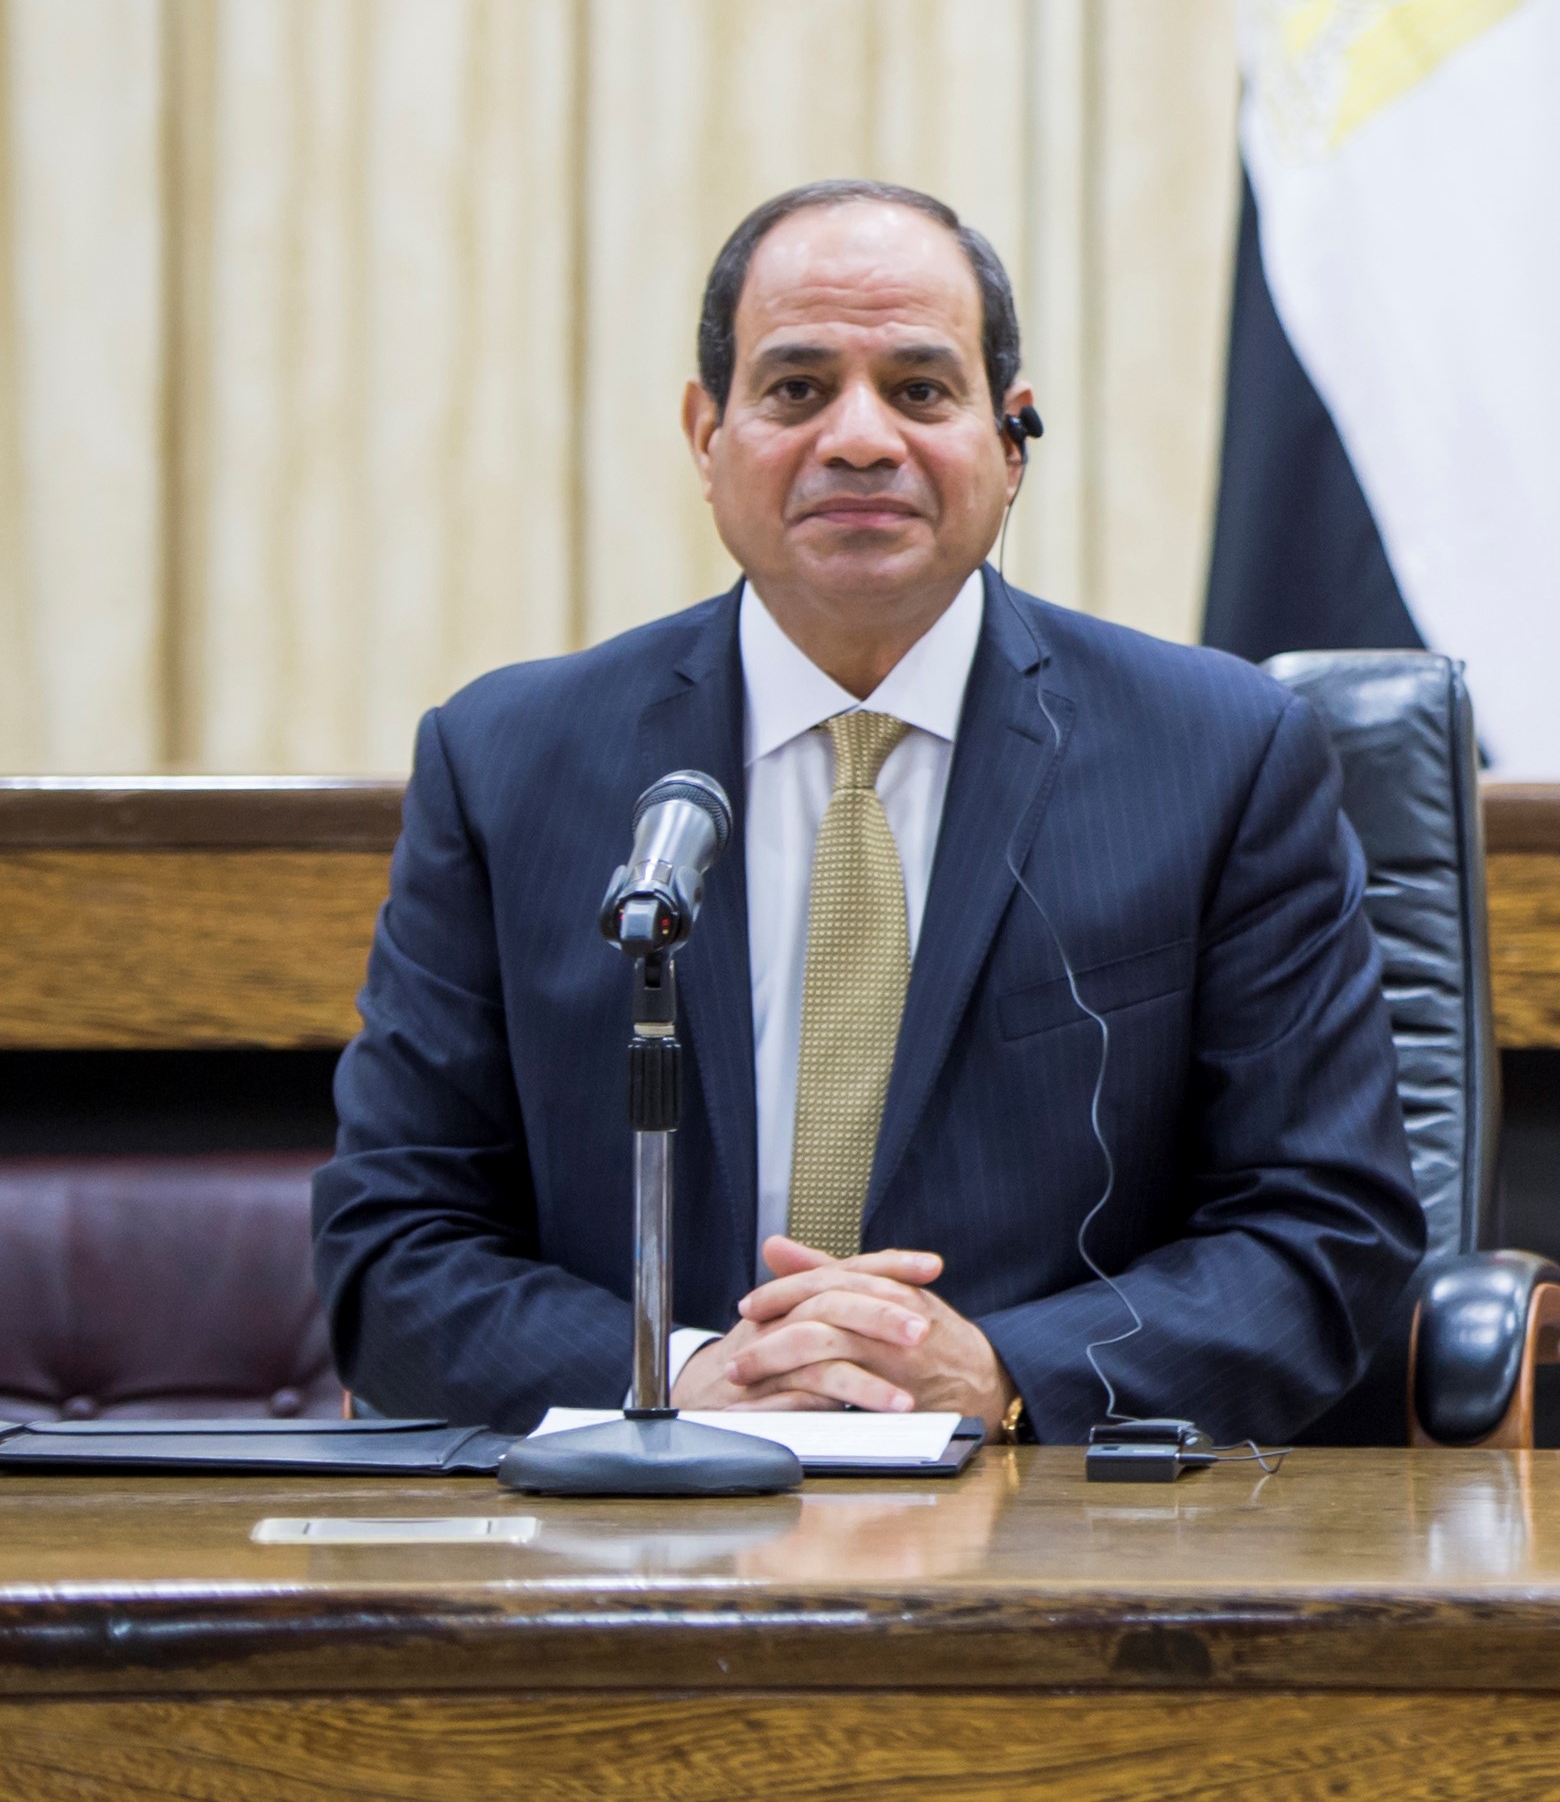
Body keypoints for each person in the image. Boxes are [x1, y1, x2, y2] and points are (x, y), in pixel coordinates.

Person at [314, 180, 1423, 1443]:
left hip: (1047, 1509)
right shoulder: (508, 761)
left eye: (920, 389)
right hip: (642, 1504)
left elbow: (1325, 1227)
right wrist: (679, 1375)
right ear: (705, 436)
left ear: (1011, 441)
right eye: (795, 389)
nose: (857, 438)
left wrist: (1001, 1373)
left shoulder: (1219, 754)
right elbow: (392, 1244)